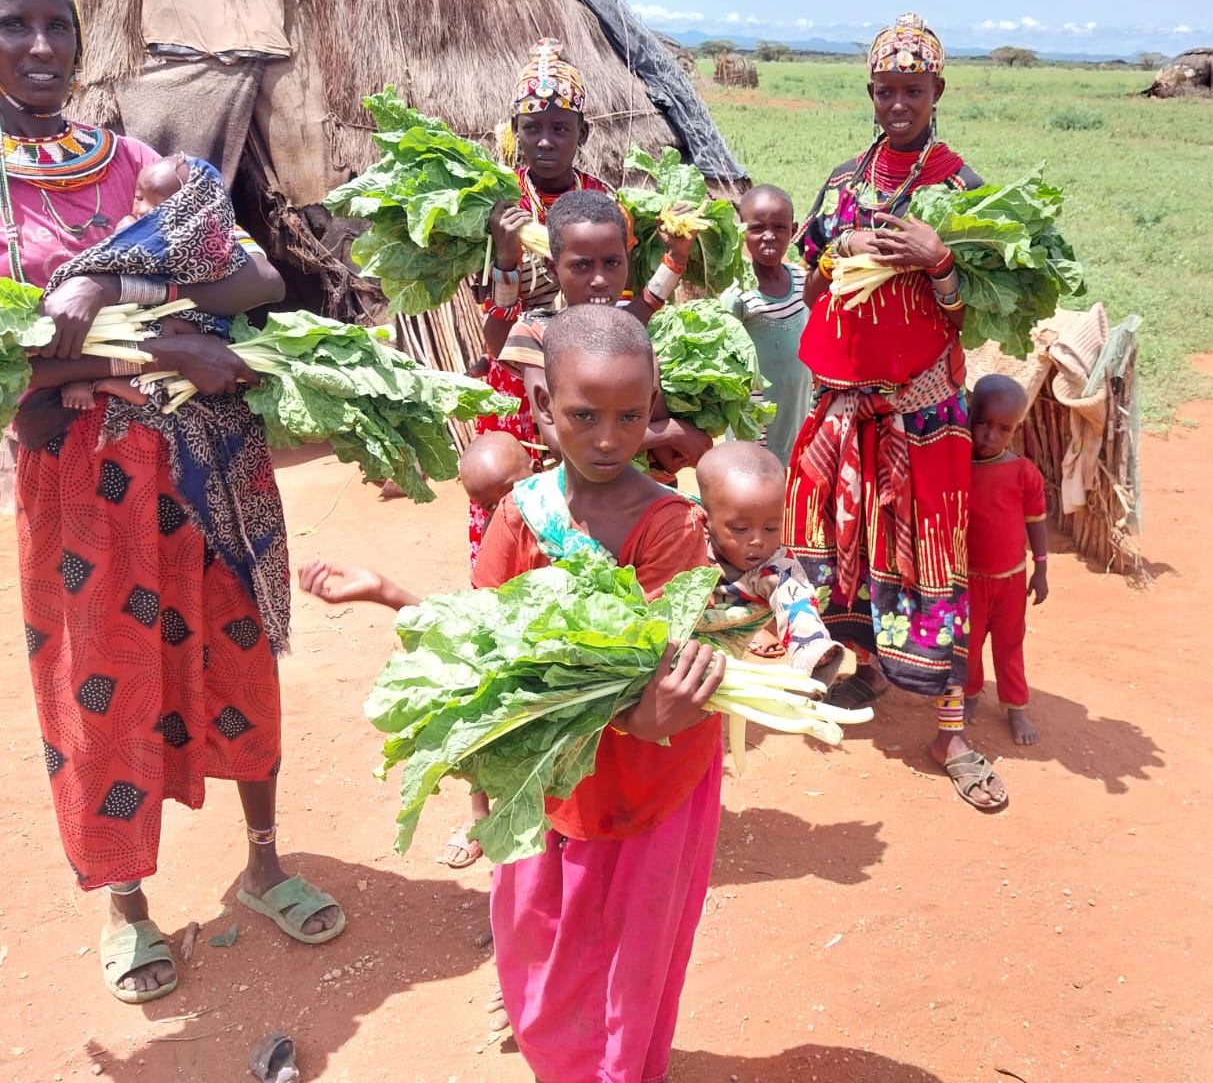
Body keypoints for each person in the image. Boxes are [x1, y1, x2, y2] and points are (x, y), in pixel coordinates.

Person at [0, 0, 342, 1004]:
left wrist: (105, 287)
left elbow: (251, 279)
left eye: (56, 24)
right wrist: (167, 340)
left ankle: (265, 862)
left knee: (239, 661)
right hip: (81, 487)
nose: (41, 44)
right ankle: (129, 906)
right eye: (13, 26)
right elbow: (22, 357)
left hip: (207, 455)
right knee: (102, 695)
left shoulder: (135, 164)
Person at [477, 303, 728, 1081]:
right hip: (552, 779)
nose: (610, 438)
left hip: (654, 785)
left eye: (631, 415)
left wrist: (651, 713)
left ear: (653, 408)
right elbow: (484, 648)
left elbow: (666, 678)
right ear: (545, 410)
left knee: (635, 949)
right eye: (584, 415)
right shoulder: (520, 516)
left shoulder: (673, 525)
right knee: (541, 942)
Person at [786, 12, 1006, 810]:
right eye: (885, 91)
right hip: (845, 403)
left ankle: (951, 727)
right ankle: (867, 669)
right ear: (871, 94)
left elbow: (982, 313)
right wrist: (839, 255)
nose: (898, 103)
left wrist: (940, 262)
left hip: (923, 410)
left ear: (937, 91)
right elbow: (806, 283)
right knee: (847, 541)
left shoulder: (963, 191)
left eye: (913, 89)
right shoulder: (843, 184)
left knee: (935, 559)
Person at [303, 431, 535, 869]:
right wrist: (382, 590)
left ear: (535, 471)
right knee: (464, 693)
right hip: (510, 660)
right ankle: (479, 814)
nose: (500, 512)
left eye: (510, 494)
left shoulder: (566, 531)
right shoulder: (491, 544)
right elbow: (467, 630)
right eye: (485, 506)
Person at [470, 38, 614, 567]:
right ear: (516, 133)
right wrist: (506, 258)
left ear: (584, 133)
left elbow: (617, 298)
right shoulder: (494, 202)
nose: (547, 141)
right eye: (533, 128)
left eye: (561, 128)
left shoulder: (604, 201)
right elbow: (495, 332)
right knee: (516, 504)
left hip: (591, 369)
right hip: (515, 370)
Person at [498, 188, 711, 476]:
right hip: (576, 508)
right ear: (552, 267)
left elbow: (667, 459)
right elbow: (561, 443)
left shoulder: (634, 332)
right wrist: (670, 433)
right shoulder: (536, 334)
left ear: (627, 259)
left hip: (650, 497)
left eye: (612, 263)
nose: (599, 280)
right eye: (581, 265)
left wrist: (676, 255)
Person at [693, 439, 845, 682]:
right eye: (741, 529)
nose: (758, 541)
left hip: (727, 643)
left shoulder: (776, 566)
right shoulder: (688, 542)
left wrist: (812, 646)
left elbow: (797, 600)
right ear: (705, 520)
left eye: (771, 527)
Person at [61, 152, 192, 410]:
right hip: (119, 308)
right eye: (139, 198)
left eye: (159, 203)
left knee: (187, 340)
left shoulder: (189, 236)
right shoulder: (127, 226)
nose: (143, 209)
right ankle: (79, 379)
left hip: (163, 311)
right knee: (89, 327)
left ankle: (136, 389)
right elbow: (105, 263)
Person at [962, 376, 1048, 746]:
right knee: (969, 642)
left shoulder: (1023, 473)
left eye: (1003, 428)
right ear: (968, 416)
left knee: (1010, 644)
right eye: (982, 422)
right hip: (968, 578)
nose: (989, 436)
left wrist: (1041, 567)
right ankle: (967, 695)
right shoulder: (956, 468)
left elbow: (1036, 520)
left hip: (1011, 579)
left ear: (1016, 429)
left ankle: (1016, 707)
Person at [724, 184, 810, 466]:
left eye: (779, 227)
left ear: (794, 229)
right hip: (755, 427)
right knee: (758, 489)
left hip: (798, 412)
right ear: (742, 229)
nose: (769, 236)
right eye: (758, 228)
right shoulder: (737, 295)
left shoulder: (802, 281)